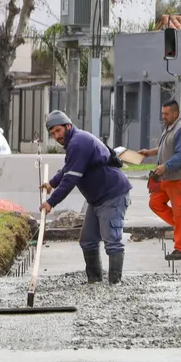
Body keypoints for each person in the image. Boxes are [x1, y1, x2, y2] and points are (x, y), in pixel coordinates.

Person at [41, 111, 132, 284]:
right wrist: (52, 183)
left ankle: (115, 284)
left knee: (112, 241)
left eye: (58, 131)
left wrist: (51, 202)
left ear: (68, 126)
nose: (56, 136)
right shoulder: (74, 142)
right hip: (97, 199)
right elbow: (68, 168)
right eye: (53, 133)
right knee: (88, 240)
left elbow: (71, 178)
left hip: (112, 195)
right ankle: (95, 281)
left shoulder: (78, 142)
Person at [138, 100, 181, 261]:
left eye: (166, 114)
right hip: (167, 177)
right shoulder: (170, 127)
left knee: (179, 213)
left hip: (177, 178)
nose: (163, 116)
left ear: (175, 114)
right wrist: (149, 153)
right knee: (155, 203)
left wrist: (164, 167)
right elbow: (167, 147)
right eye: (163, 113)